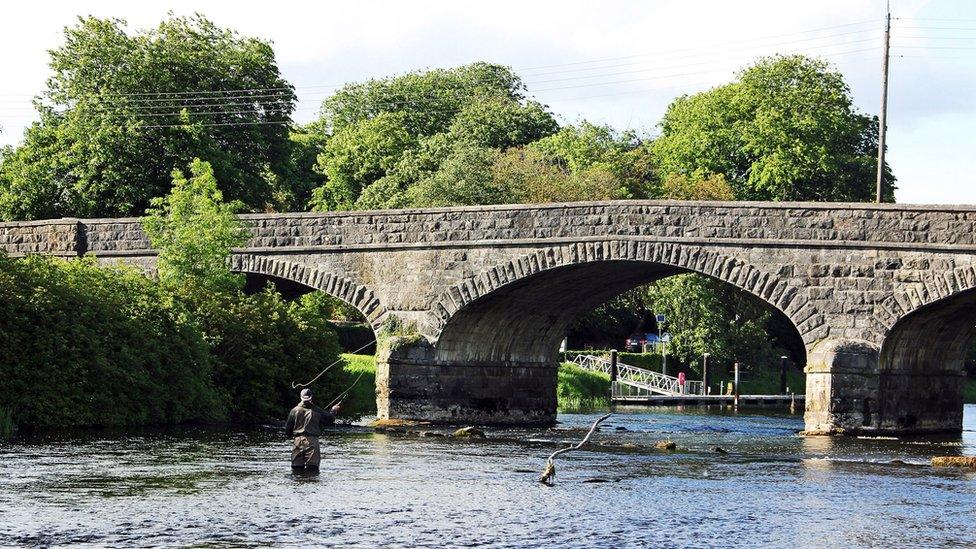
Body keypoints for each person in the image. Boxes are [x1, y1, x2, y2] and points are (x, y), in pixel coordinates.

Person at [285, 388, 340, 471]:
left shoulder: (294, 410)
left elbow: (288, 430)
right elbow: (329, 419)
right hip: (312, 441)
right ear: (311, 397)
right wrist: (333, 410)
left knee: (296, 469)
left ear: (301, 397)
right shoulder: (317, 410)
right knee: (313, 469)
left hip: (297, 441)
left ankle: (297, 484)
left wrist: (294, 438)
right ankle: (311, 483)